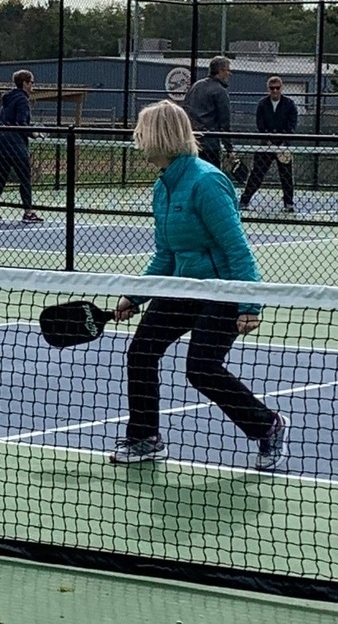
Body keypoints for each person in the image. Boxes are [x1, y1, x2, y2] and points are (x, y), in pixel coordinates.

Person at [109, 99, 288, 470]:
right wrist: (135, 296)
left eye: (142, 132)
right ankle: (144, 437)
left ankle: (267, 425)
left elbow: (237, 249)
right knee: (141, 352)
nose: (137, 139)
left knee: (201, 367)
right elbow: (166, 256)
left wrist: (249, 304)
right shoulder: (163, 188)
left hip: (221, 290)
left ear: (159, 136)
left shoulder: (206, 182)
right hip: (183, 288)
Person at [0, 69, 42, 223]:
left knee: (2, 176)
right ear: (25, 83)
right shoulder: (23, 100)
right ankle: (29, 212)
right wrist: (34, 133)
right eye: (31, 82)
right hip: (13, 142)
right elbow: (21, 124)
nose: (33, 86)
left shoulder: (7, 100)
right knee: (25, 177)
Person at [239, 76, 299, 213]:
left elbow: (292, 124)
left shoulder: (289, 104)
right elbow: (260, 124)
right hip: (265, 145)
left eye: (277, 88)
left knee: (286, 175)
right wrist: (269, 141)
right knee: (257, 173)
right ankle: (244, 200)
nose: (275, 91)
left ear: (281, 88)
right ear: (268, 89)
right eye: (272, 88)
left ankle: (288, 203)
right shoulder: (262, 104)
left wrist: (283, 143)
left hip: (283, 146)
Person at [182, 55, 233, 168]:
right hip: (210, 144)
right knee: (211, 174)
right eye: (228, 70)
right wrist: (229, 148)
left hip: (191, 141)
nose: (229, 74)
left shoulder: (196, 86)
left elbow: (185, 110)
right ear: (221, 71)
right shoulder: (220, 91)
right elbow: (224, 122)